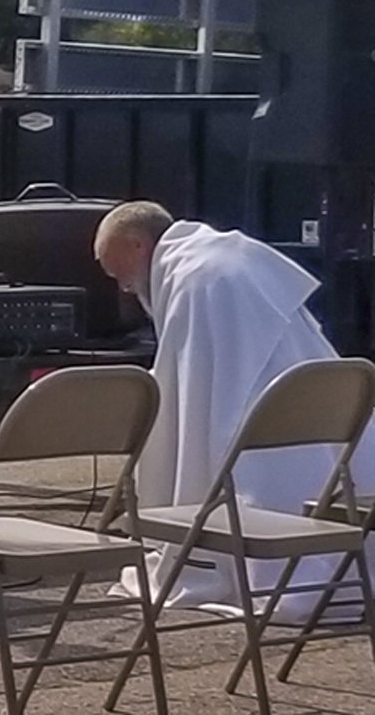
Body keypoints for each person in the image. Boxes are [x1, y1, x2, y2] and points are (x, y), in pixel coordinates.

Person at [95, 201, 373, 615]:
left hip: (263, 475)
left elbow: (187, 411)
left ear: (137, 245)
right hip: (328, 451)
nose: (124, 288)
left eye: (118, 273)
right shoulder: (236, 257)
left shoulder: (197, 283)